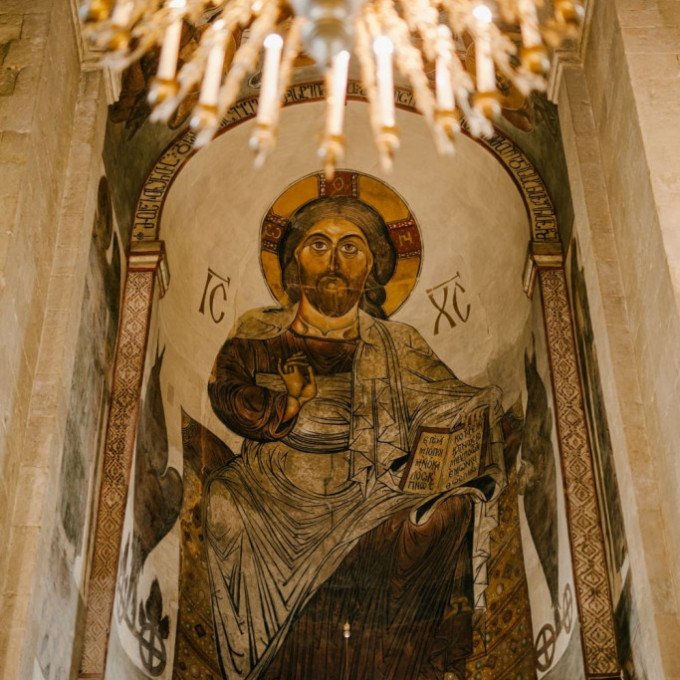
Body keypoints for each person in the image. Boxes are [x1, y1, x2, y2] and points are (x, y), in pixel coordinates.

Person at [204, 196, 505, 680]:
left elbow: (446, 401)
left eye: (351, 247)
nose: (334, 260)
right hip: (270, 489)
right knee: (222, 500)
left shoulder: (398, 342)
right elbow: (227, 391)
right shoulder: (260, 330)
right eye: (318, 245)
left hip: (374, 493)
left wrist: (471, 413)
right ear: (294, 263)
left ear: (373, 267)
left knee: (442, 515)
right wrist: (289, 404)